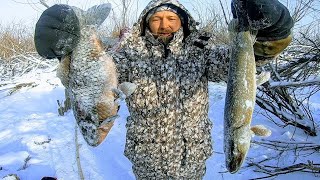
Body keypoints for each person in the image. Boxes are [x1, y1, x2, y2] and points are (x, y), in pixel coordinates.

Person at [34, 0, 293, 179]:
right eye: (156, 18)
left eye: (171, 18)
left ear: (182, 21)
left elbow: (244, 62)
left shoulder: (201, 54)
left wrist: (275, 34)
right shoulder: (126, 57)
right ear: (146, 23)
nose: (164, 24)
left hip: (192, 158)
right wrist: (66, 50)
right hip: (147, 160)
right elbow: (93, 77)